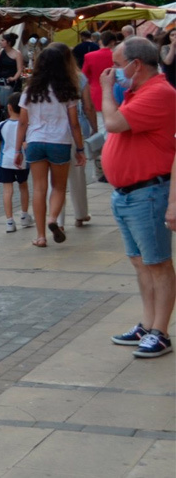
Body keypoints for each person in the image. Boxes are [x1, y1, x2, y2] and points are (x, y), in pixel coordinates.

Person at [100, 37, 175, 358]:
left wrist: (104, 91)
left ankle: (160, 331)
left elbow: (114, 122)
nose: (113, 72)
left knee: (157, 264)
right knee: (140, 262)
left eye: (117, 66)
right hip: (129, 195)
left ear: (136, 65)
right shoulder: (140, 91)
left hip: (148, 194)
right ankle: (147, 324)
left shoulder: (160, 92)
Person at [13, 45, 86, 248]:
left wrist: (17, 149)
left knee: (38, 188)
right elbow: (74, 123)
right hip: (59, 142)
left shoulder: (30, 90)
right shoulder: (67, 91)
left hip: (35, 142)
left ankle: (41, 236)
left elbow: (22, 123)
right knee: (59, 187)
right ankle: (53, 219)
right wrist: (80, 149)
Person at [58, 42, 96, 228]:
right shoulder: (79, 77)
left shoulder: (44, 80)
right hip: (75, 129)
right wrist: (95, 127)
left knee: (55, 180)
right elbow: (88, 106)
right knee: (77, 174)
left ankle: (58, 219)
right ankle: (80, 214)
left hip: (53, 133)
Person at [82, 31, 121, 182]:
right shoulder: (117, 55)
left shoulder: (90, 56)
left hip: (96, 95)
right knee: (114, 132)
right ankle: (109, 166)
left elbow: (85, 76)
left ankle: (103, 168)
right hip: (116, 94)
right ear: (112, 42)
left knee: (102, 131)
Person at [0, 99, 32, 233]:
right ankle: (25, 216)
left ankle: (9, 221)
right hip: (22, 161)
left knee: (7, 190)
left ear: (9, 107)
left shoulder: (2, 125)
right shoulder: (26, 125)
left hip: (5, 162)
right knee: (24, 186)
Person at [0, 32, 24, 108]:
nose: (0, 42)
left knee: (11, 103)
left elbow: (20, 69)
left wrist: (14, 78)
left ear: (8, 42)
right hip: (0, 80)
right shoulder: (0, 52)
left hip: (11, 82)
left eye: (2, 40)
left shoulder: (17, 53)